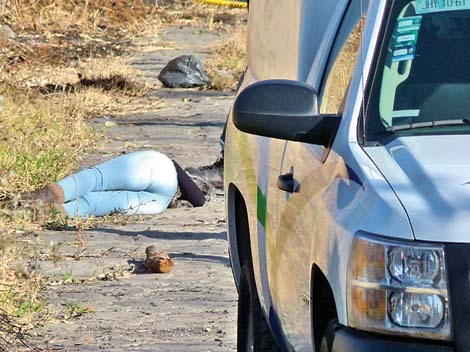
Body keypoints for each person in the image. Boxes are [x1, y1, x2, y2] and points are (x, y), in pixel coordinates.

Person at [26, 150, 205, 217]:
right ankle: (60, 212)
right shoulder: (165, 202)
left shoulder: (169, 164)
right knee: (107, 201)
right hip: (160, 199)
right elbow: (199, 200)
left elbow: (198, 197)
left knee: (96, 178)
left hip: (157, 164)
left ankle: (46, 196)